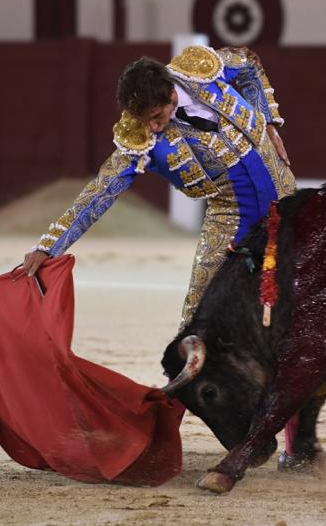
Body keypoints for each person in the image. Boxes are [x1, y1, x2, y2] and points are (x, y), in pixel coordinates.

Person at [22, 45, 296, 329]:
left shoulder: (202, 70)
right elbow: (100, 192)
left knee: (308, 289)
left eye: (156, 116)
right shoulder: (141, 139)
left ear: (172, 94)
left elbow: (250, 64)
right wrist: (49, 246)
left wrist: (269, 122)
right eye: (146, 121)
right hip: (231, 217)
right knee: (199, 316)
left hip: (287, 197)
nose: (152, 128)